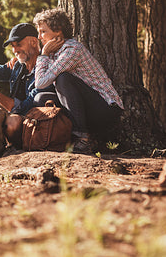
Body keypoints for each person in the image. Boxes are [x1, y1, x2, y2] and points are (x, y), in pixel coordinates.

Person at [33, 8, 124, 153]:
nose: (39, 37)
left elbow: (40, 82)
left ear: (58, 31)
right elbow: (40, 86)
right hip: (86, 108)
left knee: (63, 79)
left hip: (106, 109)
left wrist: (43, 55)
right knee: (40, 98)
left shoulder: (72, 49)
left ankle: (83, 139)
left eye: (43, 31)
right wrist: (45, 55)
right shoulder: (53, 53)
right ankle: (58, 137)